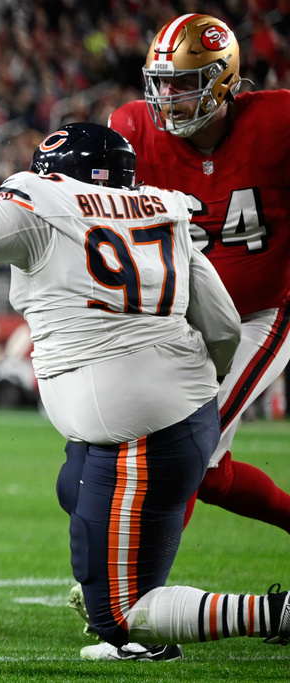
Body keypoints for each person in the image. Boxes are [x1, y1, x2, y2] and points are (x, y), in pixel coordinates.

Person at [0, 122, 289, 660]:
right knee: (75, 486)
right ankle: (143, 630)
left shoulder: (45, 200)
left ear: (58, 175)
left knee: (120, 615)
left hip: (146, 438)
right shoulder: (162, 209)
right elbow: (223, 325)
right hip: (169, 419)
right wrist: (193, 389)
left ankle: (278, 613)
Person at [108, 13, 290, 543]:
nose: (169, 97)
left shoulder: (277, 121)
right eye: (161, 83)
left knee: (188, 447)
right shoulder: (134, 128)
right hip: (182, 319)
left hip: (261, 312)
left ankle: (139, 585)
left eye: (185, 83)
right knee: (209, 473)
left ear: (223, 79)